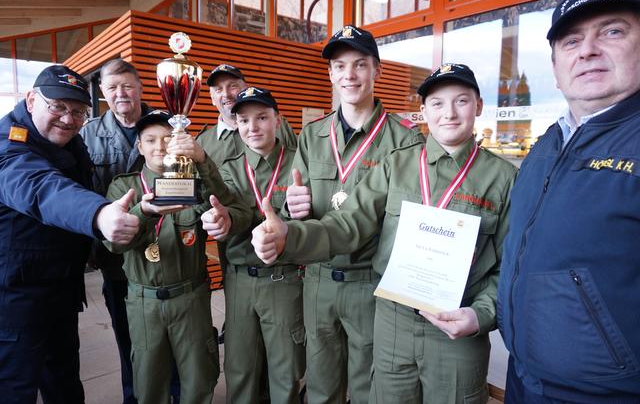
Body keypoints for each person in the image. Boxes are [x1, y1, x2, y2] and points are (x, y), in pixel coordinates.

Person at [252, 63, 517, 403]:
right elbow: (348, 223)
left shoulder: (504, 179)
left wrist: (480, 314)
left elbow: (511, 267)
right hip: (394, 322)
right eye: (437, 103)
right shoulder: (398, 165)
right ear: (424, 112)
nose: (449, 113)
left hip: (457, 330)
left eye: (461, 101)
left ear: (478, 106)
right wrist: (290, 236)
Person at [497, 0, 640, 402]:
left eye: (612, 31)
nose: (588, 50)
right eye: (571, 41)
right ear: (557, 69)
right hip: (524, 379)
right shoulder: (547, 143)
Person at [277, 25, 424, 404]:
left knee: (367, 387)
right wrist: (291, 206)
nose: (349, 75)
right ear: (330, 74)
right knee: (321, 386)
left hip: (370, 284)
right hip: (318, 280)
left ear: (377, 71)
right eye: (340, 66)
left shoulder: (405, 140)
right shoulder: (311, 136)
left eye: (360, 65)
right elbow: (291, 207)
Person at [0, 64, 140, 404]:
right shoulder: (8, 145)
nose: (68, 118)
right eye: (58, 107)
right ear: (32, 100)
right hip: (17, 295)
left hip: (60, 287)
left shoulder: (70, 141)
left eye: (78, 111)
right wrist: (99, 214)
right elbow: (41, 188)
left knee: (63, 380)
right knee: (15, 387)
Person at [104, 111, 252, 404]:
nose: (160, 146)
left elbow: (224, 201)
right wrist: (143, 213)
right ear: (139, 146)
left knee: (198, 378)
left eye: (168, 139)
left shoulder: (193, 182)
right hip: (143, 301)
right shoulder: (124, 187)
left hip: (190, 298)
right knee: (148, 382)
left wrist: (202, 160)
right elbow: (114, 246)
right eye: (150, 140)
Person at [203, 87, 304, 403]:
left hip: (284, 281)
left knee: (285, 369)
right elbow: (233, 209)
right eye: (244, 120)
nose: (253, 127)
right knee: (240, 367)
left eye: (262, 117)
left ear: (278, 120)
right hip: (240, 281)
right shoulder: (229, 167)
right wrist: (224, 220)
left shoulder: (300, 165)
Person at [80, 58, 158, 404]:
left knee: (165, 336)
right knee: (127, 337)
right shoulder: (88, 134)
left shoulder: (166, 125)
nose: (120, 93)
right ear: (103, 93)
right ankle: (133, 395)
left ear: (140, 88)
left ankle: (171, 393)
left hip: (162, 253)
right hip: (116, 258)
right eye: (112, 88)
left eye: (127, 85)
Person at [196, 64, 297, 167]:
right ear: (212, 99)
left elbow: (298, 163)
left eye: (233, 86)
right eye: (219, 90)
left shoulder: (280, 126)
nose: (226, 94)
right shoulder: (202, 142)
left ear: (245, 90)